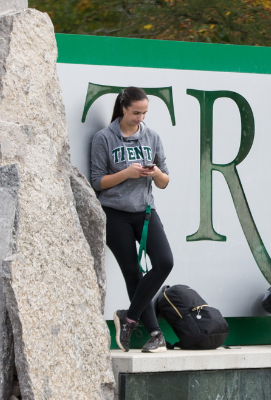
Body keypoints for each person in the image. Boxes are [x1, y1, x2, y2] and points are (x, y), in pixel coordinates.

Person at [91, 87, 173, 353]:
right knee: (133, 273)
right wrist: (126, 173)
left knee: (164, 262)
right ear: (123, 108)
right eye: (136, 112)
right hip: (115, 213)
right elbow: (97, 182)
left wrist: (155, 173)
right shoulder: (104, 138)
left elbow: (164, 182)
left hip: (145, 211)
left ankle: (128, 317)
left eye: (144, 113)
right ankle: (155, 334)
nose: (140, 118)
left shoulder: (152, 137)